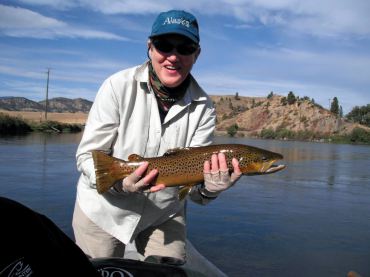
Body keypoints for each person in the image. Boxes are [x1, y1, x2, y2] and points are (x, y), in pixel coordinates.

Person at [72, 10, 242, 264]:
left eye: (185, 48)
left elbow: (195, 193)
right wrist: (121, 183)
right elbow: (88, 156)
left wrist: (210, 189)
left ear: (196, 54)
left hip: (164, 213)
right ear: (150, 48)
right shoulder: (116, 86)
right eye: (164, 46)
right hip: (104, 209)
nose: (173, 57)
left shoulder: (205, 106)